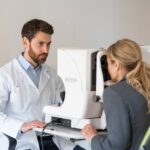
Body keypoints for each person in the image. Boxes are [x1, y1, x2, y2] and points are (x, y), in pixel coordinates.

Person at [0, 19, 85, 150]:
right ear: (25, 42)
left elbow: (63, 106)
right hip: (23, 140)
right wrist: (22, 125)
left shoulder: (52, 74)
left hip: (52, 138)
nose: (46, 50)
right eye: (40, 44)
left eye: (48, 44)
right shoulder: (5, 74)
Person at [81, 39, 150, 150]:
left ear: (116, 65)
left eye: (108, 63)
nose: (107, 69)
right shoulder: (146, 85)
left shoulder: (114, 93)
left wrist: (93, 138)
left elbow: (116, 146)